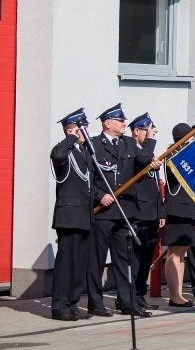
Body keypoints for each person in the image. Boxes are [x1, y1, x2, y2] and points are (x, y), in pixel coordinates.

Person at [87, 104, 161, 318]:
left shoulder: (128, 143)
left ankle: (128, 303)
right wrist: (99, 195)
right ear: (107, 123)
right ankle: (95, 302)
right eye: (120, 120)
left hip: (124, 211)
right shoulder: (94, 145)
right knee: (97, 260)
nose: (124, 123)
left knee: (124, 260)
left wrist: (151, 154)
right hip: (103, 211)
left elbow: (143, 159)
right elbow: (87, 177)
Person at [50, 108, 96, 321]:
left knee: (79, 264)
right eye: (82, 128)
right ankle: (60, 306)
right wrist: (71, 138)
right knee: (66, 263)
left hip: (84, 215)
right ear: (71, 130)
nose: (86, 131)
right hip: (69, 216)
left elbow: (89, 183)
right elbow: (57, 156)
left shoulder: (84, 152)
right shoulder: (64, 150)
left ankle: (72, 303)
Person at [125, 113, 163, 310]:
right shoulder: (132, 148)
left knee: (146, 257)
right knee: (136, 258)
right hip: (139, 212)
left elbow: (156, 186)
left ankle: (139, 295)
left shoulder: (147, 152)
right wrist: (150, 140)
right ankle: (130, 297)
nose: (151, 135)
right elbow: (143, 160)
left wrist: (161, 212)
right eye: (147, 131)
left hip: (152, 213)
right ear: (136, 131)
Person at [162, 123, 195, 307]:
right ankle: (174, 295)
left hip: (189, 209)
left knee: (182, 253)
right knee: (174, 253)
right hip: (177, 208)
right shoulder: (174, 155)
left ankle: (179, 295)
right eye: (191, 136)